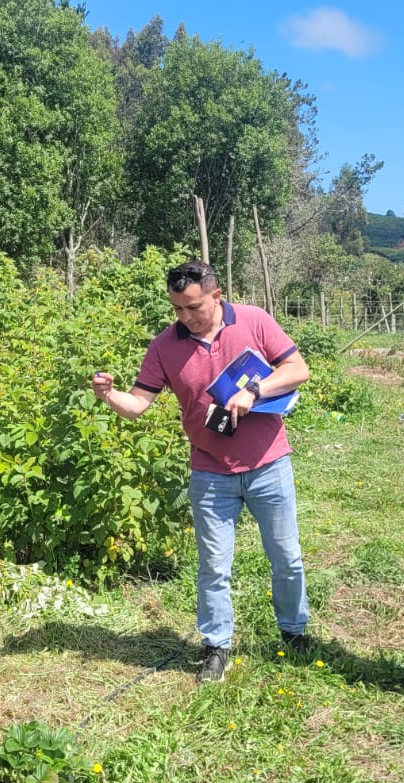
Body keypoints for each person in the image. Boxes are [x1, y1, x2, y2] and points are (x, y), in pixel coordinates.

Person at [91, 261, 312, 684]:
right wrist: (108, 395)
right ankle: (216, 646)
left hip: (268, 463)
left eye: (193, 306)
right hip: (210, 472)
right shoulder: (164, 346)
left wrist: (254, 390)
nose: (186, 317)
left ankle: (294, 632)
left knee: (287, 557)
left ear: (217, 295)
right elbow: (137, 406)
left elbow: (297, 370)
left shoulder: (254, 320)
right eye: (177, 309)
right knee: (214, 565)